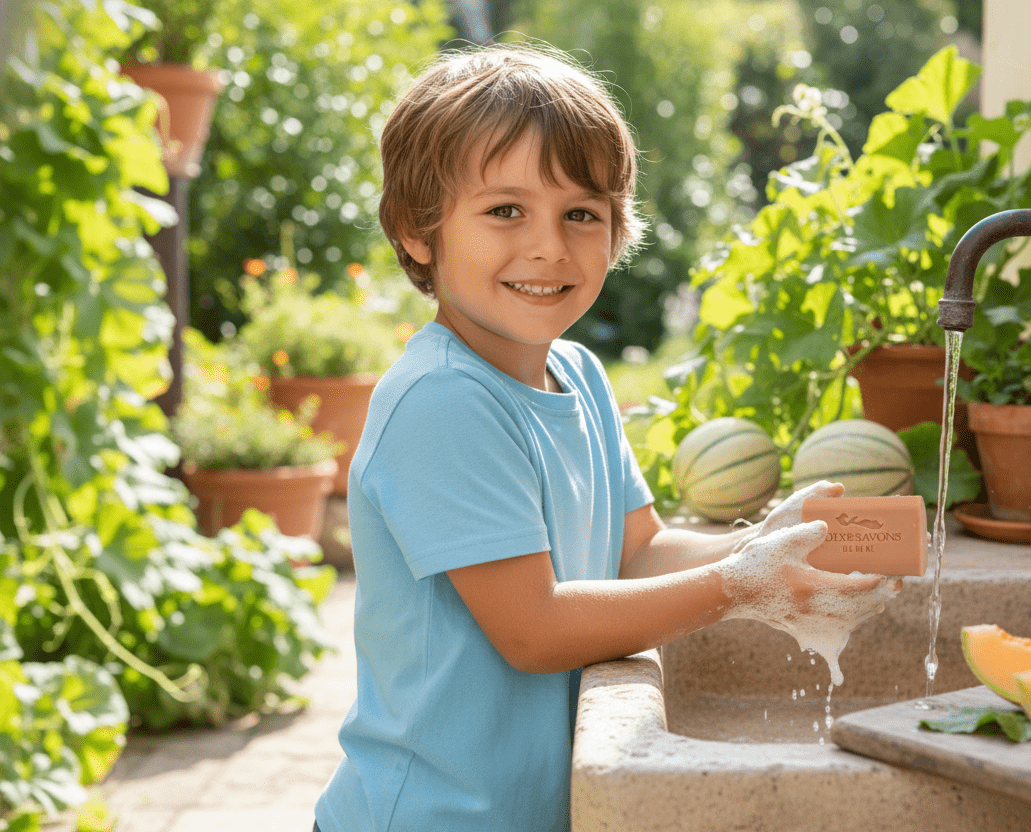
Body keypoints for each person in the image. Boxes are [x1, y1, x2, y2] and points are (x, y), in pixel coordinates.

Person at [313, 42, 898, 832]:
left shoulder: (579, 375)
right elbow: (534, 628)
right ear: (418, 232)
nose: (550, 245)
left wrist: (773, 539)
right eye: (505, 210)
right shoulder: (442, 401)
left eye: (581, 213)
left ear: (618, 232)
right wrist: (739, 586)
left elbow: (638, 551)